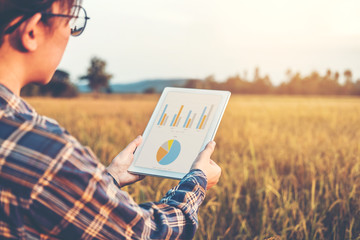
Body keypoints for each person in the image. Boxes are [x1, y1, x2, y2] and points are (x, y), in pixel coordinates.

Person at [0, 0, 222, 239]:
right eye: (71, 22)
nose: (70, 35)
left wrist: (111, 178)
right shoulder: (42, 150)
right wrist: (197, 181)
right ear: (32, 31)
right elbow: (147, 234)